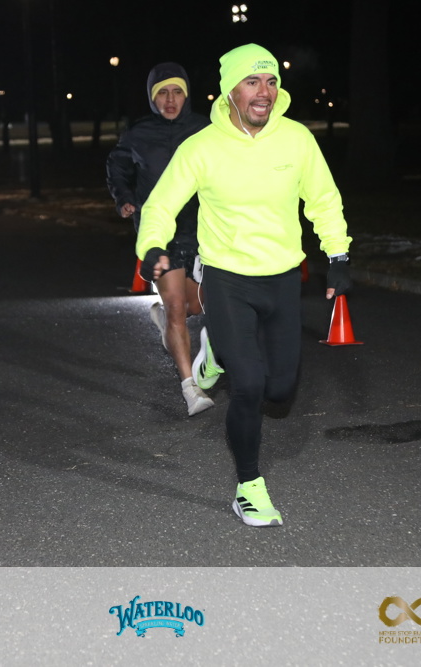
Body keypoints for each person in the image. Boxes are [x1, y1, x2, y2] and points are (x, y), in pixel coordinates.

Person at [135, 44, 353, 527]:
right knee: (249, 385)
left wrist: (337, 255)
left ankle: (213, 353)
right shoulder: (202, 147)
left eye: (271, 81)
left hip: (282, 279)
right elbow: (161, 204)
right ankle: (249, 487)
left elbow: (323, 199)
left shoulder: (296, 140)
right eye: (252, 82)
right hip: (227, 278)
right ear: (230, 90)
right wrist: (152, 247)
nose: (264, 92)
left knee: (280, 390)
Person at [107, 62, 212, 416]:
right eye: (162, 93)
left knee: (196, 306)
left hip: (200, 228)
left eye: (177, 91)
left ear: (187, 95)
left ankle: (165, 320)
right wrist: (124, 198)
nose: (170, 100)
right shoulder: (138, 134)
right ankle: (190, 388)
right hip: (160, 231)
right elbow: (117, 166)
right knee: (178, 308)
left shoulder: (205, 129)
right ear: (152, 98)